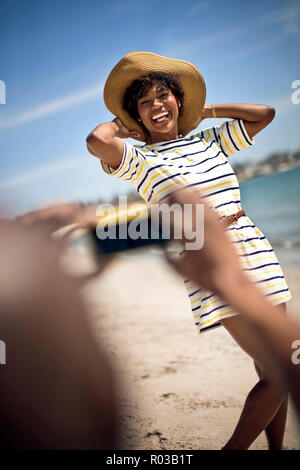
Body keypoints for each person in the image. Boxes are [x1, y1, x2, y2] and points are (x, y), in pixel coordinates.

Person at [86, 51, 292, 450]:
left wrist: (208, 111)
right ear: (138, 115)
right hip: (207, 260)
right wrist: (121, 125)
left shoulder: (210, 141)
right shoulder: (141, 160)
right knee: (282, 370)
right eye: (144, 103)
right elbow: (97, 141)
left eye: (162, 95)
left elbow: (264, 113)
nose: (155, 106)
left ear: (178, 99)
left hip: (255, 248)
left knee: (270, 367)